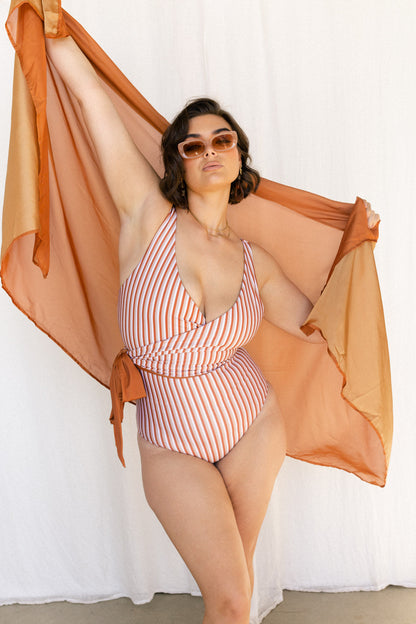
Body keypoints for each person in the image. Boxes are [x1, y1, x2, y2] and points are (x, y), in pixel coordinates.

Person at [43, 35, 379, 624]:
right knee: (228, 597)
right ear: (178, 162)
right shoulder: (147, 218)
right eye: (192, 145)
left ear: (239, 157)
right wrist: (46, 24)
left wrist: (356, 252)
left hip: (253, 421)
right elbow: (90, 96)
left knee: (233, 599)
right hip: (172, 437)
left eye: (222, 140)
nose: (209, 152)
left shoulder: (256, 262)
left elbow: (315, 329)